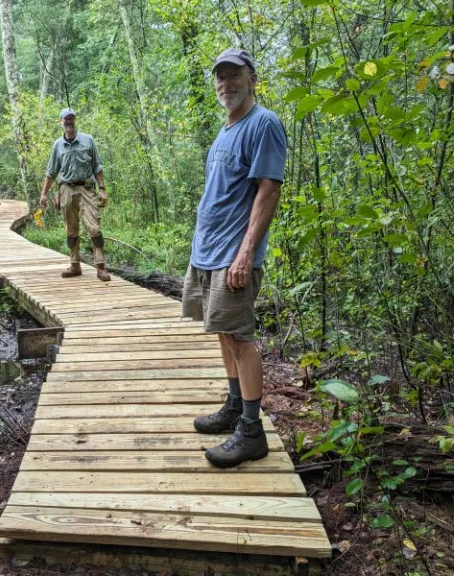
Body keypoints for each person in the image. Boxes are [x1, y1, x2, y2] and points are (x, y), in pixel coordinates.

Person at [182, 48, 287, 468]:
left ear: (252, 78)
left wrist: (244, 255)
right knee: (224, 333)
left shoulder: (264, 124)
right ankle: (233, 406)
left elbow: (269, 190)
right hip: (209, 252)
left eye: (234, 75)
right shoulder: (226, 130)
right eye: (220, 77)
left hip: (233, 255)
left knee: (240, 337)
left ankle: (251, 431)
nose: (226, 83)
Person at [39, 108, 110, 282]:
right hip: (66, 190)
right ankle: (74, 265)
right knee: (71, 230)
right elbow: (51, 172)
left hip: (86, 189)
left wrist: (102, 189)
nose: (69, 122)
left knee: (94, 227)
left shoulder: (88, 140)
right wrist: (44, 194)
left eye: (71, 119)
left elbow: (97, 167)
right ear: (61, 122)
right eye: (66, 119)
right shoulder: (58, 145)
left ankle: (100, 267)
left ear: (75, 120)